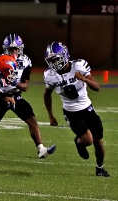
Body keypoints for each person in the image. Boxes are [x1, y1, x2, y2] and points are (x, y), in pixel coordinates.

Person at [43, 41, 110, 177]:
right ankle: (79, 142)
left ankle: (100, 168)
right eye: (51, 60)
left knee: (98, 140)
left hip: (87, 108)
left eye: (56, 58)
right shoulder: (50, 75)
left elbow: (96, 87)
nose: (54, 63)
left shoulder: (79, 66)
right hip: (71, 112)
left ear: (64, 55)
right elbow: (47, 95)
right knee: (88, 140)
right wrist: (51, 115)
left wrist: (84, 79)